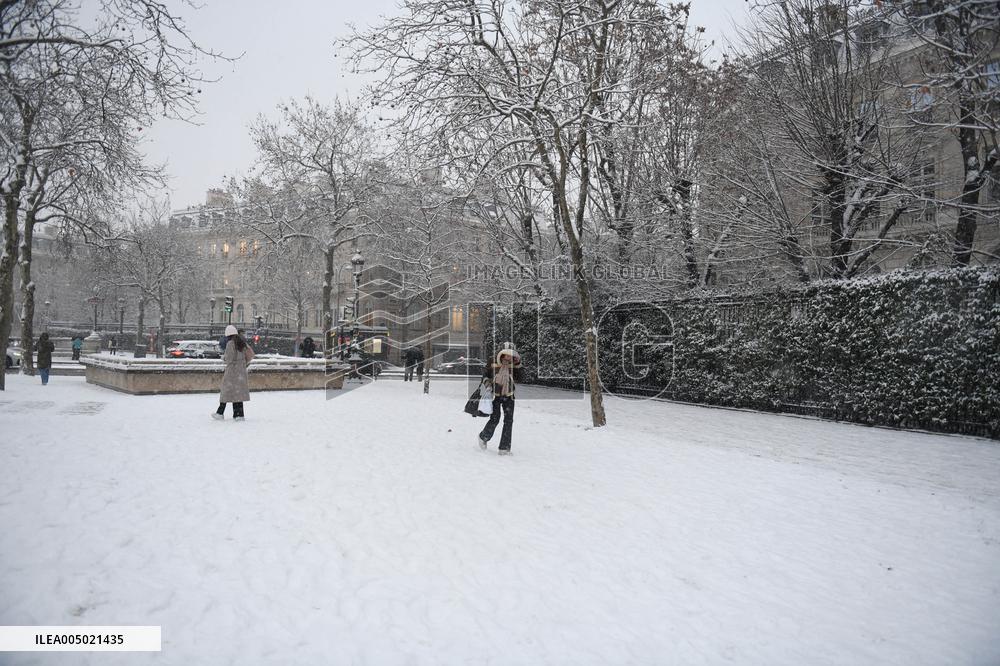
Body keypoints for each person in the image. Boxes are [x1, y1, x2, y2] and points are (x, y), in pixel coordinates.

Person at [478, 344, 522, 455]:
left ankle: (504, 448)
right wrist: (488, 384)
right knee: (495, 419)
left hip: (509, 395)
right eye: (506, 354)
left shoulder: (514, 364)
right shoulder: (492, 361)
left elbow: (520, 378)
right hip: (495, 395)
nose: (508, 357)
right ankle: (483, 436)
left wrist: (518, 365)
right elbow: (485, 375)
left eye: (511, 355)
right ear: (502, 353)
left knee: (508, 421)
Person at [212, 324, 254, 421]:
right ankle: (239, 414)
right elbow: (251, 354)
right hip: (241, 371)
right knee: (238, 393)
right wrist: (244, 363)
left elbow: (229, 359)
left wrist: (224, 358)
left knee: (226, 391)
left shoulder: (230, 344)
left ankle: (220, 413)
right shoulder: (242, 343)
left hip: (232, 371)